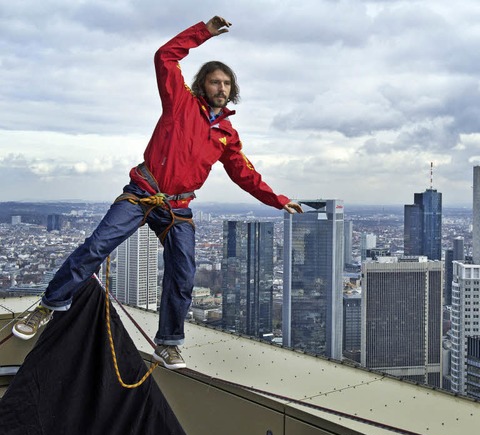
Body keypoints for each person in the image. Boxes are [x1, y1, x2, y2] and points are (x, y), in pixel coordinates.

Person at [12, 16, 303, 370]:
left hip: (178, 207)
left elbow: (245, 173)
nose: (222, 88)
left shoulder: (227, 134)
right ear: (203, 84)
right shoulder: (179, 101)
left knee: (183, 272)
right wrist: (203, 33)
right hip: (143, 192)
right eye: (215, 81)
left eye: (227, 83)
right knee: (97, 246)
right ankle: (46, 306)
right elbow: (165, 56)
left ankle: (168, 343)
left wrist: (278, 200)